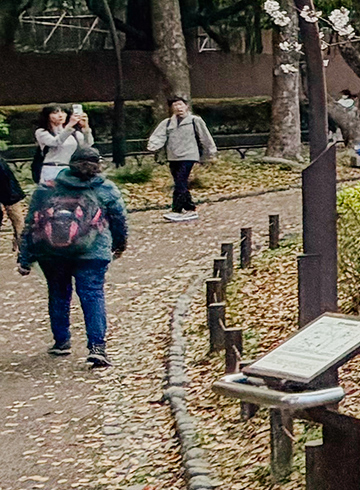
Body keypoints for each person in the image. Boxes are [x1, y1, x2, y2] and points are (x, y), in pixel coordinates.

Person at [17, 145, 127, 365]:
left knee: (58, 293)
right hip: (93, 251)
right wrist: (119, 245)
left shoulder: (47, 188)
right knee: (92, 295)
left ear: (70, 164)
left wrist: (25, 258)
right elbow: (119, 220)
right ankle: (97, 347)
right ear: (98, 165)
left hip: (51, 252)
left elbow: (31, 224)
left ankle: (61, 341)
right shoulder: (105, 188)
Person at [146, 95, 216, 221]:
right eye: (175, 105)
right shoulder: (167, 123)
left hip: (189, 155)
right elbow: (158, 136)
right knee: (180, 183)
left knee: (180, 181)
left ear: (186, 106)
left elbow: (205, 137)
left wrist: (211, 153)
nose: (178, 108)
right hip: (173, 157)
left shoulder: (195, 121)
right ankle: (190, 208)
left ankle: (176, 209)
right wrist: (153, 146)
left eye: (181, 105)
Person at [33, 105, 74, 185]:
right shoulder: (42, 132)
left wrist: (85, 128)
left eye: (62, 112)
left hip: (68, 168)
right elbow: (55, 142)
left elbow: (86, 145)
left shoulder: (72, 133)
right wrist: (69, 126)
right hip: (52, 168)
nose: (60, 115)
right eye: (55, 112)